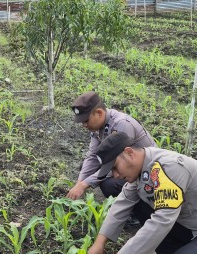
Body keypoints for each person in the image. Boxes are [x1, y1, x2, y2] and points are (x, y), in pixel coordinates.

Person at [66, 92, 156, 228]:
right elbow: (92, 156)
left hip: (148, 174)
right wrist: (80, 182)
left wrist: (85, 184)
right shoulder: (98, 128)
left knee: (109, 183)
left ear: (99, 113)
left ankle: (138, 213)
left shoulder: (121, 125)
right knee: (85, 169)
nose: (84, 125)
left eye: (86, 120)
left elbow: (119, 164)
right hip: (129, 169)